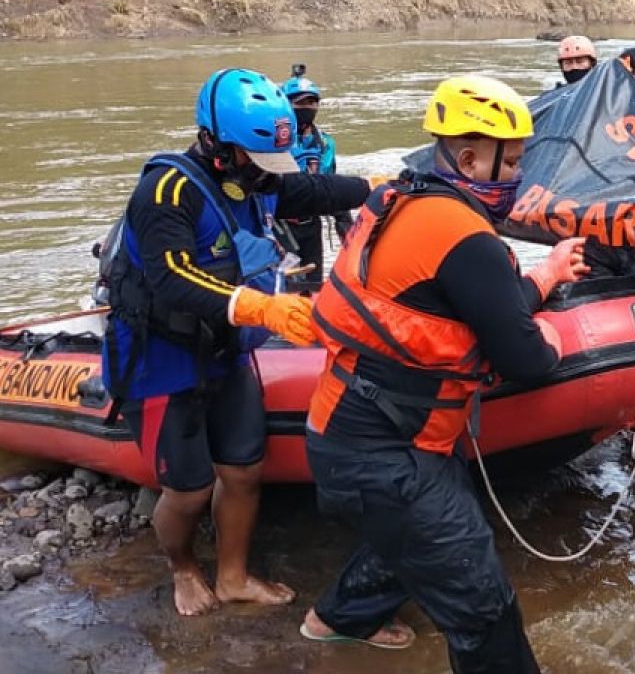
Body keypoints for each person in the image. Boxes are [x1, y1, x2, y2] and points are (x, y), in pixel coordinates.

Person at [299, 75, 591, 672]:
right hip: (386, 448)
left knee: (419, 528)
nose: (517, 175)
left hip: (354, 429)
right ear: (468, 158)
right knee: (482, 605)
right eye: (508, 163)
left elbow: (473, 301)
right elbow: (523, 358)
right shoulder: (465, 235)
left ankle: (337, 619)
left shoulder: (409, 202)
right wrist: (554, 342)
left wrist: (549, 272)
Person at [101, 68, 374, 617]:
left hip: (225, 350)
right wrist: (259, 306)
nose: (270, 175)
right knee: (188, 490)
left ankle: (232, 576)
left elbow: (313, 189)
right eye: (260, 161)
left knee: (245, 470)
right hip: (162, 358)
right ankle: (182, 566)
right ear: (217, 143)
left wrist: (382, 188)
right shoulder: (166, 191)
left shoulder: (256, 178)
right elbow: (170, 277)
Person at [278, 66, 354, 293]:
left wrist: (349, 236)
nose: (307, 108)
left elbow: (330, 185)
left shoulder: (325, 143)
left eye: (312, 103)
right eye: (300, 103)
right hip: (281, 226)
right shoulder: (274, 143)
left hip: (311, 225)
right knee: (286, 286)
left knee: (313, 287)